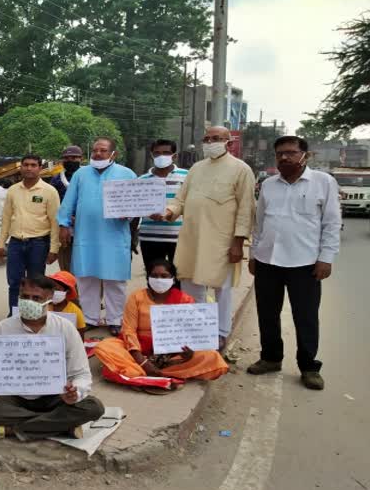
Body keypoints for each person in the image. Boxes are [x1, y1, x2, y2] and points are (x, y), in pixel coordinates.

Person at [247, 136, 341, 390]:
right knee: (267, 314)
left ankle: (309, 367)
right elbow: (260, 224)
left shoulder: (323, 183)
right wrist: (254, 255)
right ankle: (270, 358)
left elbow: (331, 223)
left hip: (306, 263)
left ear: (305, 155)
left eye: (290, 153)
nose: (284, 158)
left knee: (306, 316)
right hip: (268, 261)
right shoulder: (268, 185)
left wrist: (326, 258)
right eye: (280, 154)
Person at [0, 276, 105, 441]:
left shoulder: (65, 328)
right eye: (25, 297)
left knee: (94, 407)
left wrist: (76, 393)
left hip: (56, 397)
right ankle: (58, 425)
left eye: (36, 298)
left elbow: (81, 374)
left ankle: (8, 430)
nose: (29, 302)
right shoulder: (3, 328)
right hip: (14, 398)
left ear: (49, 299)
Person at [162, 126, 255, 350]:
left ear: (229, 143)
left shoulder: (241, 170)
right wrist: (168, 212)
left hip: (222, 241)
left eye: (216, 139)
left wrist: (238, 242)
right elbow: (180, 200)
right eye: (206, 139)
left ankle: (221, 333)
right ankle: (194, 333)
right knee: (190, 285)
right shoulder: (196, 168)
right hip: (192, 238)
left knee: (221, 289)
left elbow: (246, 209)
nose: (210, 142)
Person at [94, 260, 228, 392]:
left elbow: (189, 333)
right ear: (148, 278)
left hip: (170, 355)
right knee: (105, 346)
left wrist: (189, 351)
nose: (159, 279)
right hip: (138, 351)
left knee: (212, 356)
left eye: (164, 276)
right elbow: (129, 330)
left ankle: (140, 373)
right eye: (154, 276)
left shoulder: (185, 300)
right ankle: (156, 372)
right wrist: (142, 361)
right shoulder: (137, 297)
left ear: (173, 279)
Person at [57, 137, 136, 335]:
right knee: (86, 278)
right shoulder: (81, 174)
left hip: (115, 237)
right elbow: (68, 202)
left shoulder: (127, 174)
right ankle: (90, 318)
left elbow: (137, 203)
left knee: (114, 280)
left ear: (113, 154)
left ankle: (115, 319)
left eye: (102, 150)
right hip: (86, 236)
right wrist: (63, 224)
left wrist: (130, 212)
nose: (97, 154)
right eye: (95, 150)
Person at [0, 154, 60, 311]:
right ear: (21, 167)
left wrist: (54, 249)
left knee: (35, 284)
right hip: (16, 244)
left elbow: (55, 222)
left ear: (39, 168)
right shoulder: (12, 190)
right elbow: (6, 219)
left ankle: (34, 314)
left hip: (39, 244)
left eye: (33, 165)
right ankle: (14, 315)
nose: (29, 168)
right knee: (14, 283)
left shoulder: (49, 191)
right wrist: (0, 243)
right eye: (26, 165)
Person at [139, 139, 188, 267]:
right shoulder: (141, 180)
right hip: (150, 237)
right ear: (152, 155)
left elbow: (190, 204)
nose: (161, 156)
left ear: (175, 156)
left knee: (179, 278)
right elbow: (135, 206)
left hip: (179, 238)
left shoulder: (187, 177)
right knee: (154, 279)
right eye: (157, 153)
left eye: (166, 153)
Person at [49, 146, 83, 272]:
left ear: (81, 159)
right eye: (66, 158)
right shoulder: (57, 179)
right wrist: (68, 218)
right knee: (66, 267)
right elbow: (52, 204)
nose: (70, 160)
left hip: (87, 228)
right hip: (65, 228)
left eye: (73, 158)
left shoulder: (88, 176)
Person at [47, 271, 86, 335]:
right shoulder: (44, 306)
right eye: (51, 289)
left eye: (57, 289)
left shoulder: (75, 311)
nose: (53, 292)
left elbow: (80, 335)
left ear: (67, 291)